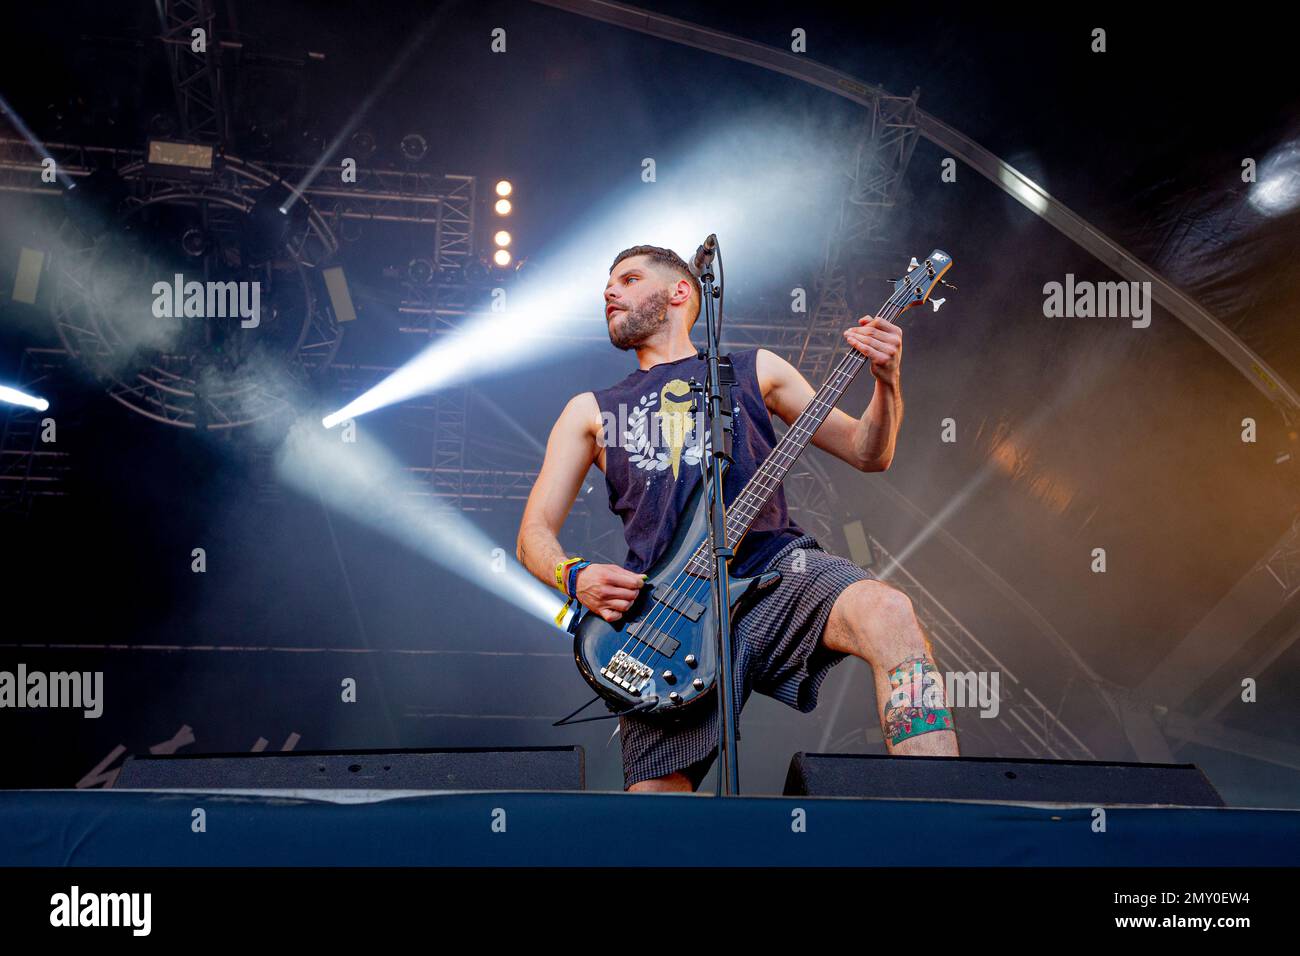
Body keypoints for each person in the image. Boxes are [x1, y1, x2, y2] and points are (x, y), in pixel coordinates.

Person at [516, 244, 958, 791]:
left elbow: (869, 452)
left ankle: (942, 806)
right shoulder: (589, 410)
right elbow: (533, 534)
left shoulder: (754, 369)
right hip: (665, 614)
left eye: (628, 280)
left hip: (775, 571)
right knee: (656, 813)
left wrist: (887, 381)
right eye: (609, 285)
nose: (610, 292)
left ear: (681, 292)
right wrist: (574, 575)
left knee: (890, 612)